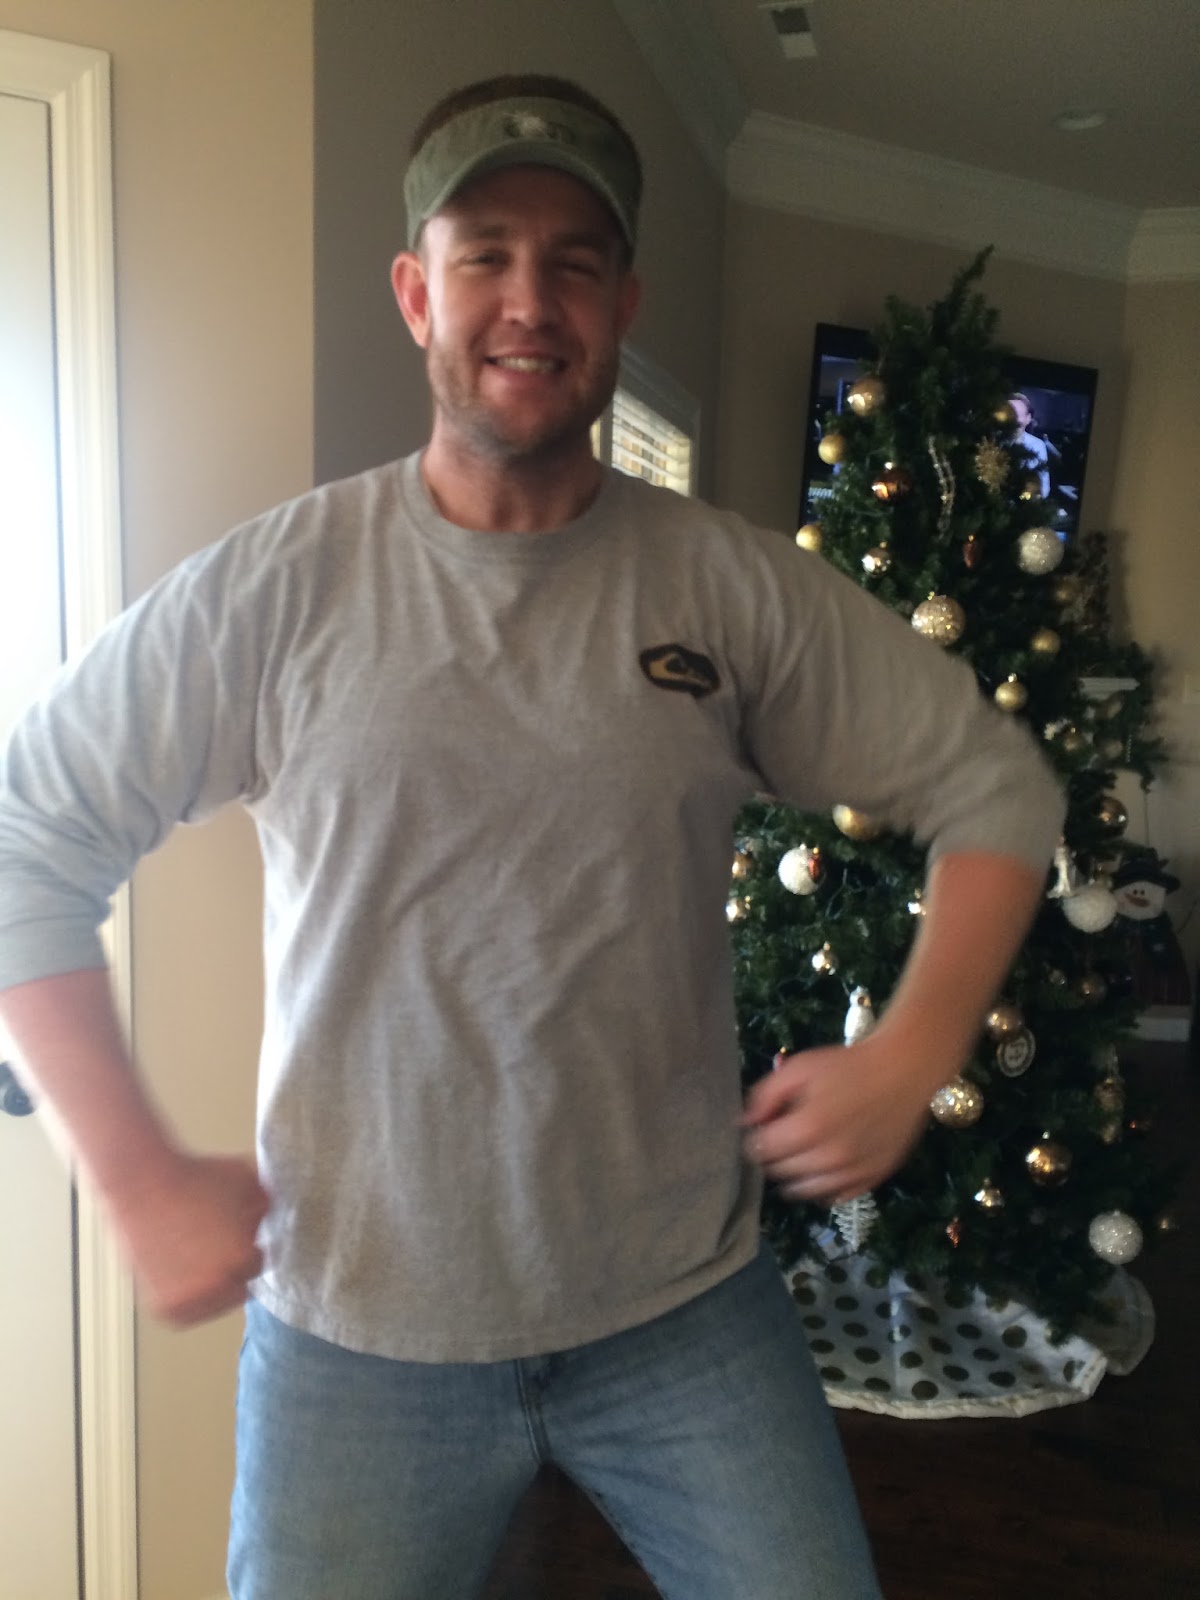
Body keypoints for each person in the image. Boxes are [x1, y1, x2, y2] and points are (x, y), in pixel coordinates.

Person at [0, 74, 1065, 1600]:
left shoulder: (730, 589)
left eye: (574, 261)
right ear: (414, 293)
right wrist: (130, 1173)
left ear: (622, 303)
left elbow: (994, 787)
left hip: (683, 1313)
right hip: (360, 1337)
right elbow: (25, 839)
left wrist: (912, 1053)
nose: (528, 301)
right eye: (485, 255)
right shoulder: (279, 590)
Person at [1009, 391, 1058, 499]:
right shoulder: (992, 441)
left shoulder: (1037, 446)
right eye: (1010, 413)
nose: (1014, 419)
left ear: (1028, 418)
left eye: (1018, 414)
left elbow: (1044, 487)